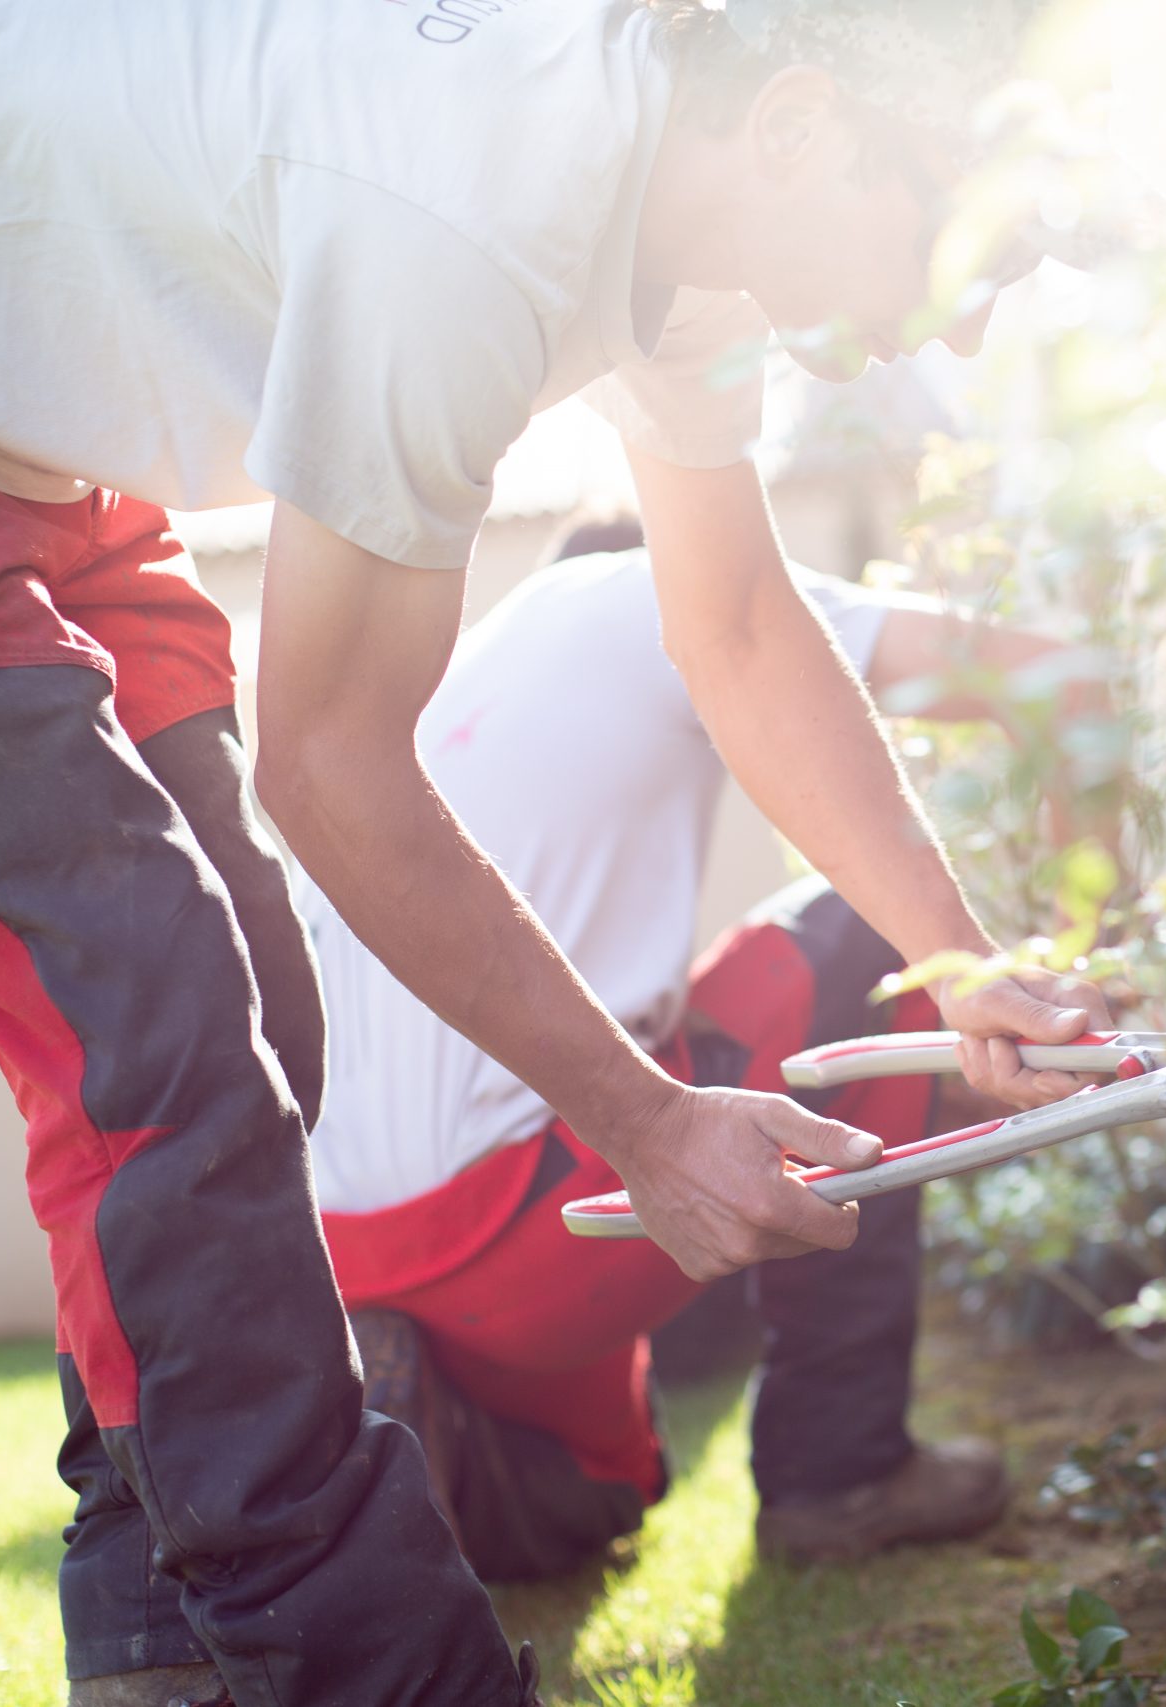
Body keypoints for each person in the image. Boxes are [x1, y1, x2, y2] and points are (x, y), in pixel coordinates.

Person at [0, 2, 1105, 1702]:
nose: (969, 309)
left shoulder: (694, 255)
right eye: (950, 241)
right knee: (153, 1019)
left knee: (251, 994)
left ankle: (152, 1649)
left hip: (16, 438)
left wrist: (961, 961)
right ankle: (372, 1671)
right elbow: (334, 764)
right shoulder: (474, 208)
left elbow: (738, 629)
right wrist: (643, 1120)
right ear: (793, 129)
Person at [299, 519, 1099, 1579]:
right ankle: (842, 1466)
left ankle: (439, 1431)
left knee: (609, 1493)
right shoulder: (682, 581)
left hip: (347, 1260)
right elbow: (1051, 677)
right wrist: (1082, 947)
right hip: (534, 1228)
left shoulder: (457, 675)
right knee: (869, 936)